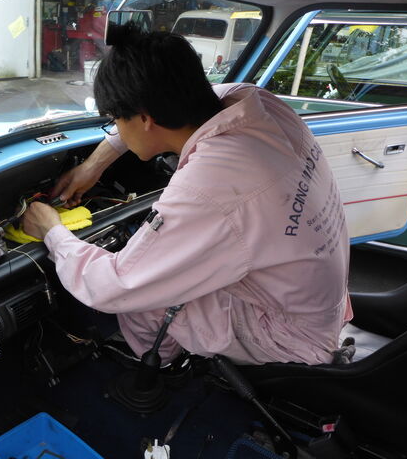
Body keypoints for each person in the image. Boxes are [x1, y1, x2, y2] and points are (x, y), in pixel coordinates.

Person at [22, 25, 353, 366]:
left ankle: (162, 367)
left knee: (147, 298)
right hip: (316, 302)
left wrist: (51, 231)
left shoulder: (211, 186)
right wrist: (93, 165)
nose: (116, 128)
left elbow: (115, 286)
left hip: (289, 336)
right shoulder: (257, 102)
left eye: (114, 120)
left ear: (145, 118)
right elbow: (179, 99)